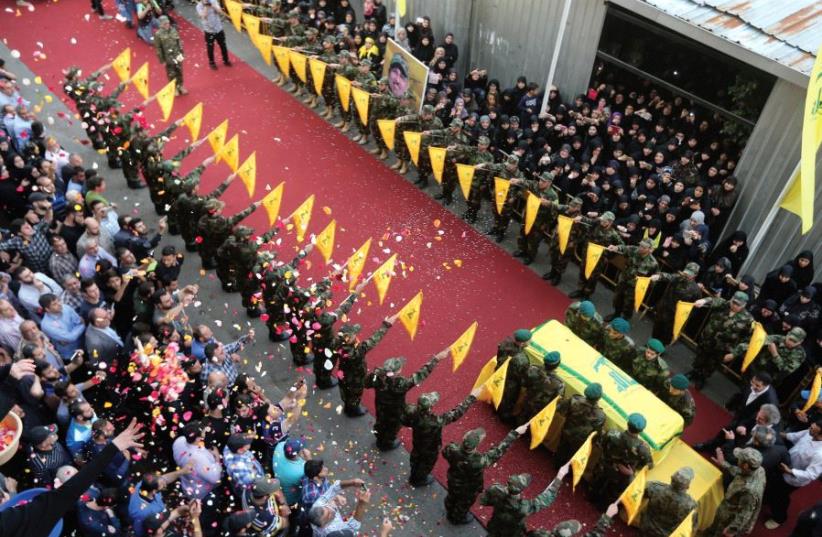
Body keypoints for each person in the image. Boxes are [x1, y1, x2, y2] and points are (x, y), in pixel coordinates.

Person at [442, 424, 527, 524]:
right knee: (463, 504)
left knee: (451, 496)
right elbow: (498, 450)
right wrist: (514, 433)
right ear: (475, 446)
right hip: (468, 489)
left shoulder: (452, 449)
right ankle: (457, 518)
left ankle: (449, 508)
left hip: (453, 480)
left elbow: (445, 453)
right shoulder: (479, 462)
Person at [365, 349, 447, 451]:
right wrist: (436, 359)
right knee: (392, 428)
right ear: (396, 372)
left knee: (381, 421)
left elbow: (366, 384)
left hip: (380, 406)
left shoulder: (377, 376)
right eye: (400, 368)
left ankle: (379, 437)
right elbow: (420, 375)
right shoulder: (400, 384)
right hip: (395, 412)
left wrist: (375, 375)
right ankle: (386, 444)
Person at [401, 389, 479, 487]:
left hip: (418, 442)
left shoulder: (411, 411)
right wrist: (471, 398)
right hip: (430, 447)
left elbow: (404, 420)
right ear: (429, 408)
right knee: (426, 463)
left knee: (416, 457)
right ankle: (418, 479)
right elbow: (456, 414)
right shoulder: (435, 421)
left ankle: (414, 474)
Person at [480, 464, 570, 537]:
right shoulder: (524, 508)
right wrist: (560, 476)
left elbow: (483, 501)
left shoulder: (496, 490)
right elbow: (544, 500)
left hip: (494, 527)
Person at [763, 420, 822, 529]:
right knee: (771, 485)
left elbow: (811, 475)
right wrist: (773, 432)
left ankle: (779, 518)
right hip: (783, 466)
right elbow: (793, 436)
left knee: (779, 496)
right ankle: (765, 500)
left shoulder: (820, 454)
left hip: (792, 479)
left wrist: (790, 471)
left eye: (815, 427)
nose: (811, 426)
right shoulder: (810, 432)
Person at [588, 412, 653, 509]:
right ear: (641, 430)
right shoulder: (643, 448)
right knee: (612, 493)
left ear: (627, 423)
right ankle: (602, 507)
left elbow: (601, 443)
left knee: (597, 482)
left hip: (604, 465)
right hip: (622, 475)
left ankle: (590, 497)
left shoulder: (612, 433)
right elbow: (649, 465)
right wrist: (633, 470)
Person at [334, 314, 394, 417]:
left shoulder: (338, 343)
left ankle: (348, 405)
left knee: (345, 391)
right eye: (353, 335)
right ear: (348, 339)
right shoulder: (357, 352)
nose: (356, 335)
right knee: (354, 394)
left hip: (343, 373)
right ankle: (352, 410)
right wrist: (386, 325)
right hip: (355, 378)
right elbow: (373, 340)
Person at [705, 447, 766, 537]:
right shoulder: (759, 470)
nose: (737, 460)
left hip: (729, 517)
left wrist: (732, 529)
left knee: (717, 533)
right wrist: (723, 464)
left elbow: (745, 513)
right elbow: (740, 472)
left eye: (739, 459)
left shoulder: (749, 490)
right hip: (729, 508)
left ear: (745, 465)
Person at [555, 383, 606, 465]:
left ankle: (556, 463)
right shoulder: (600, 415)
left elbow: (560, 410)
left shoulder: (574, 400)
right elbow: (597, 434)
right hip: (581, 440)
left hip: (566, 430)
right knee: (573, 456)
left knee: (562, 448)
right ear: (599, 398)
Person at [639, 467, 698, 537]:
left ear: (671, 477)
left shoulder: (654, 487)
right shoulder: (691, 506)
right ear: (688, 486)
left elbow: (636, 493)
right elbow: (691, 528)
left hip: (646, 529)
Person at [153, 16, 187, 95]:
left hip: (177, 55)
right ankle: (174, 88)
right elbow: (158, 48)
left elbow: (179, 42)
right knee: (171, 73)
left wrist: (182, 53)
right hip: (168, 57)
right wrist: (162, 60)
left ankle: (180, 86)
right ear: (161, 24)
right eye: (165, 24)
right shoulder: (158, 34)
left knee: (179, 71)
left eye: (168, 23)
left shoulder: (173, 30)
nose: (167, 25)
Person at [195, 0, 232, 70]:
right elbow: (203, 16)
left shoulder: (214, 1)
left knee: (223, 45)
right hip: (209, 31)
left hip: (218, 28)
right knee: (210, 48)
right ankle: (212, 63)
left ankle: (226, 60)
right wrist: (206, 7)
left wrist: (212, 6)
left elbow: (221, 12)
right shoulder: (198, 6)